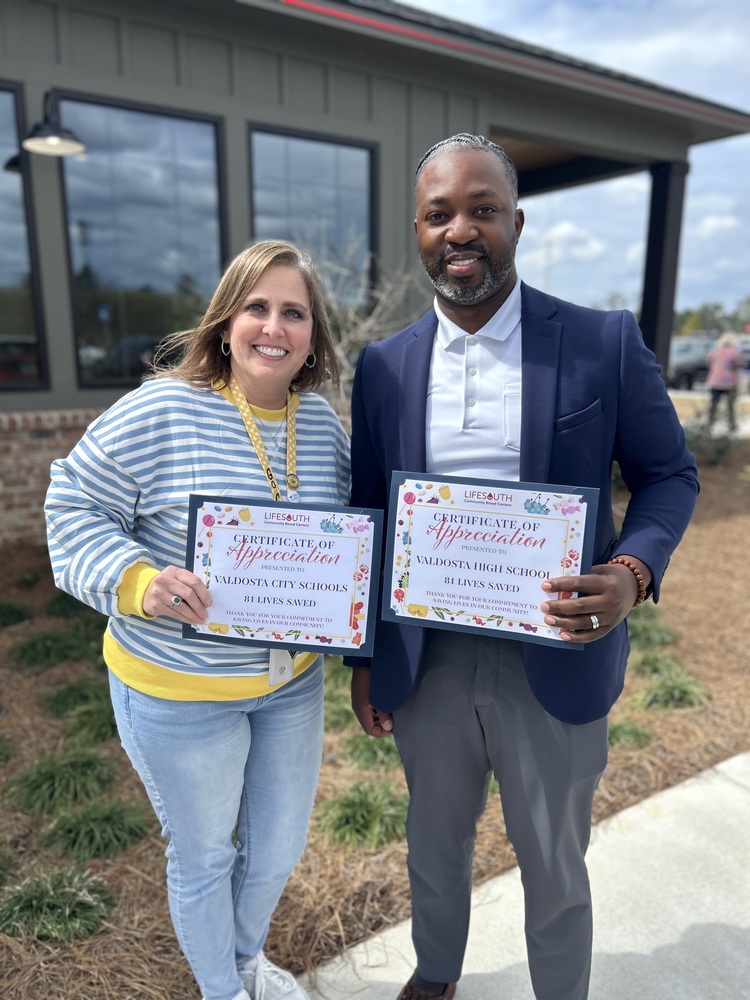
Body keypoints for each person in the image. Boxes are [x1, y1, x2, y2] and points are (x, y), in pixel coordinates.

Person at [347, 134, 698, 1000]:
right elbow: (370, 514)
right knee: (433, 841)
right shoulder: (385, 366)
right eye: (438, 214)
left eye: (483, 209)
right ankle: (435, 977)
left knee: (553, 859)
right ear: (418, 231)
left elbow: (668, 475)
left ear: (516, 221)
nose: (459, 230)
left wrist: (632, 572)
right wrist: (364, 659)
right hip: (427, 656)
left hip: (557, 651)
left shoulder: (600, 341)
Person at [45, 240, 350, 1000]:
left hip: (290, 684)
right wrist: (138, 581)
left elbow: (350, 535)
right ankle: (221, 989)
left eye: (294, 312)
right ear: (224, 322)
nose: (273, 327)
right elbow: (73, 504)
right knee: (207, 856)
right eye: (257, 308)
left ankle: (245, 962)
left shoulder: (319, 425)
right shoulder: (164, 408)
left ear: (313, 334)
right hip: (179, 692)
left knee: (276, 850)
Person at [706, 331, 745, 432]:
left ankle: (710, 423)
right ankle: (732, 425)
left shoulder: (716, 351)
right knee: (730, 405)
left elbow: (709, 359)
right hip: (729, 382)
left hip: (715, 381)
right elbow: (741, 363)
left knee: (714, 404)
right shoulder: (734, 352)